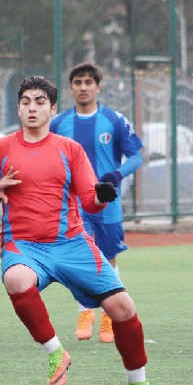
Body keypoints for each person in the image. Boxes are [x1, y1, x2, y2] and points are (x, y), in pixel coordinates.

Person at [0, 76, 174, 385]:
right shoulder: (1, 148)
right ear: (18, 108)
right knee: (17, 280)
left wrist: (102, 196)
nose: (33, 108)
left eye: (40, 102)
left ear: (53, 109)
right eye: (26, 102)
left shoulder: (70, 149)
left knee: (122, 307)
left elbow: (90, 198)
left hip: (72, 243)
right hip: (24, 246)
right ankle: (55, 353)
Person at [50, 62, 143, 343]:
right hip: (74, 206)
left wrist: (117, 174)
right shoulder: (59, 124)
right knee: (82, 257)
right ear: (70, 88)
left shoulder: (114, 120)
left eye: (88, 82)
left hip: (108, 205)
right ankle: (84, 313)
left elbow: (136, 156)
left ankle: (109, 317)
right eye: (77, 82)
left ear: (98, 87)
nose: (83, 87)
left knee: (109, 258)